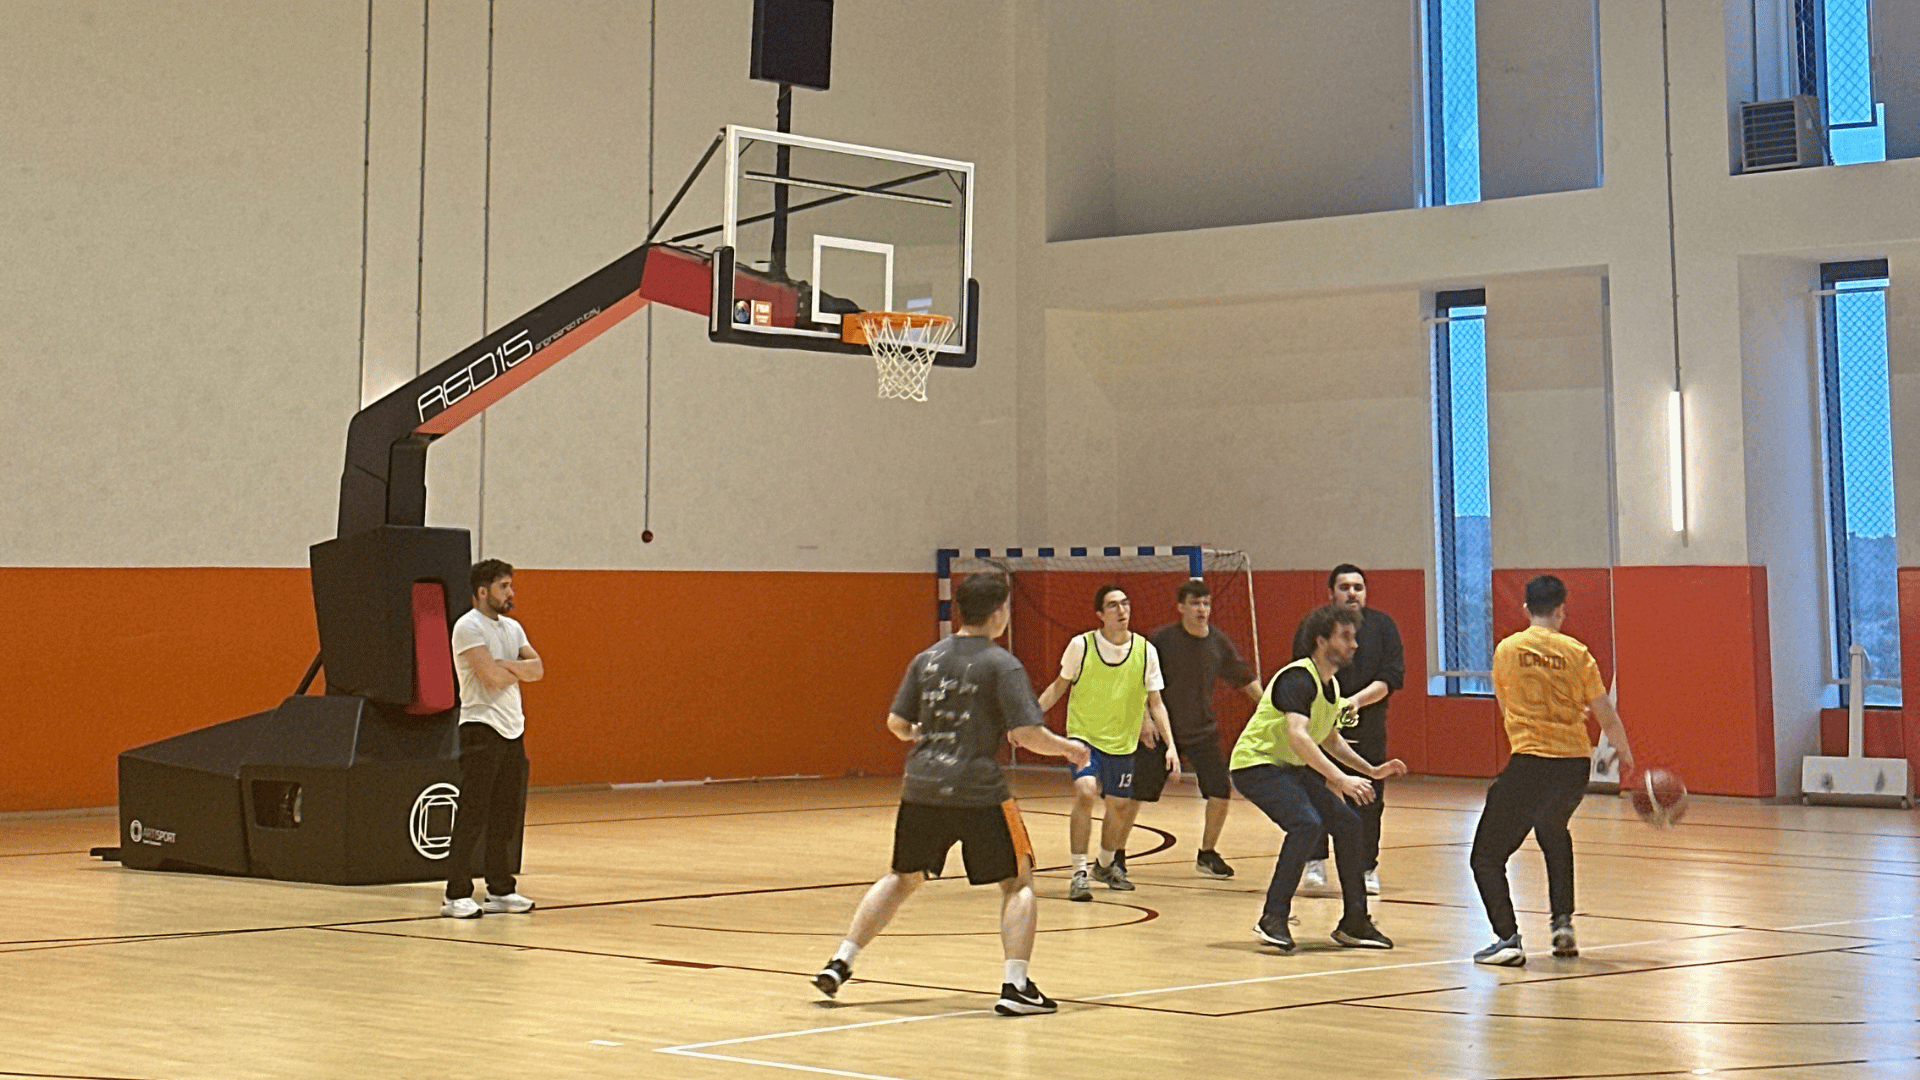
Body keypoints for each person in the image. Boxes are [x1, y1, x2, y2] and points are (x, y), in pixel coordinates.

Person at [812, 574, 1091, 1015]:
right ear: (998, 613)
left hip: (921, 787)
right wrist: (1068, 749)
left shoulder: (926, 660)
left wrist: (926, 734)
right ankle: (1016, 986)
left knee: (902, 877)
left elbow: (897, 725)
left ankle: (841, 960)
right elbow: (1025, 733)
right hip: (978, 790)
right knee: (1018, 881)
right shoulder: (1002, 665)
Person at [1470, 575, 1635, 966]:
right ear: (1561, 610)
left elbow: (1505, 704)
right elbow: (1604, 711)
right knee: (1553, 831)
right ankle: (1563, 924)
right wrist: (1623, 752)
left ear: (1526, 608)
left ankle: (1507, 938)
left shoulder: (1507, 649)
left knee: (1486, 857)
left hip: (1530, 761)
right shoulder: (1578, 652)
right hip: (1573, 765)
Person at [1230, 603, 1405, 953]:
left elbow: (1330, 739)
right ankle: (1273, 917)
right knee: (1306, 825)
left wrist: (1371, 770)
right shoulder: (1297, 678)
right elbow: (1299, 735)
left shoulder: (1331, 688)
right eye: (1345, 637)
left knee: (1350, 825)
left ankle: (1355, 922)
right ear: (1321, 642)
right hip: (1256, 765)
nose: (1354, 644)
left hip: (1288, 768)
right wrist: (1340, 779)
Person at [1036, 585, 1179, 901]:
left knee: (1118, 805)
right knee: (1086, 792)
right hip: (1084, 737)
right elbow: (1058, 686)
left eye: (1125, 603)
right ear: (1100, 614)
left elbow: (1156, 702)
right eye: (1113, 605)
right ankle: (1078, 873)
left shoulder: (1145, 650)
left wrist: (1171, 745)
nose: (1121, 610)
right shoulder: (1081, 645)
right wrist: (1029, 719)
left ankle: (1103, 864)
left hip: (1122, 742)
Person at [1133, 580, 1263, 878]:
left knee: (1220, 791)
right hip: (1163, 731)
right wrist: (1145, 719)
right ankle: (1115, 856)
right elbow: (1137, 682)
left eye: (1206, 603)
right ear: (1181, 607)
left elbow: (1244, 678)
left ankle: (1207, 853)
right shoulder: (1161, 640)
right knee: (1133, 796)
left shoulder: (1218, 642)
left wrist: (1273, 707)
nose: (1201, 609)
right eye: (1194, 603)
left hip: (1202, 730)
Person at [1290, 564, 1404, 895]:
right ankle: (1314, 860)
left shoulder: (1383, 626)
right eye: (1344, 587)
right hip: (1318, 724)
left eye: (1358, 587)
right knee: (1315, 791)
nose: (1352, 593)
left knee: (1367, 796)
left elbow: (1391, 676)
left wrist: (1355, 701)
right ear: (1331, 593)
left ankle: (1366, 867)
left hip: (1367, 725)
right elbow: (1302, 671)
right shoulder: (1313, 626)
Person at [442, 559, 544, 918]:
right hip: (481, 728)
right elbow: (489, 677)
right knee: (473, 812)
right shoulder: (468, 627)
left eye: (510, 585)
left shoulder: (513, 628)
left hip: (513, 728)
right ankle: (456, 894)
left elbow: (538, 669)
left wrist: (507, 665)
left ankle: (500, 890)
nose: (511, 592)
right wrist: (514, 669)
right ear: (483, 591)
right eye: (504, 586)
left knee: (505, 813)